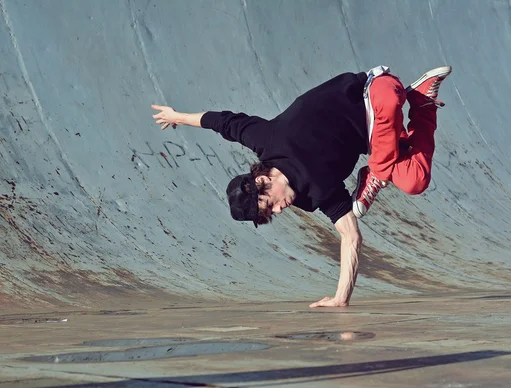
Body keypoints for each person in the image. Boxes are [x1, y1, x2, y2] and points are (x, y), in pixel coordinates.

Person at [151, 65, 452, 308]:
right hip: (380, 137)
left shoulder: (267, 139)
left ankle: (377, 173)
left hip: (373, 91)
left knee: (388, 106)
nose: (280, 209)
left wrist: (178, 117)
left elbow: (223, 123)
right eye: (272, 214)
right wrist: (341, 298)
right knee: (415, 181)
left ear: (262, 181)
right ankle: (423, 105)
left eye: (270, 205)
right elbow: (351, 237)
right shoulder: (312, 195)